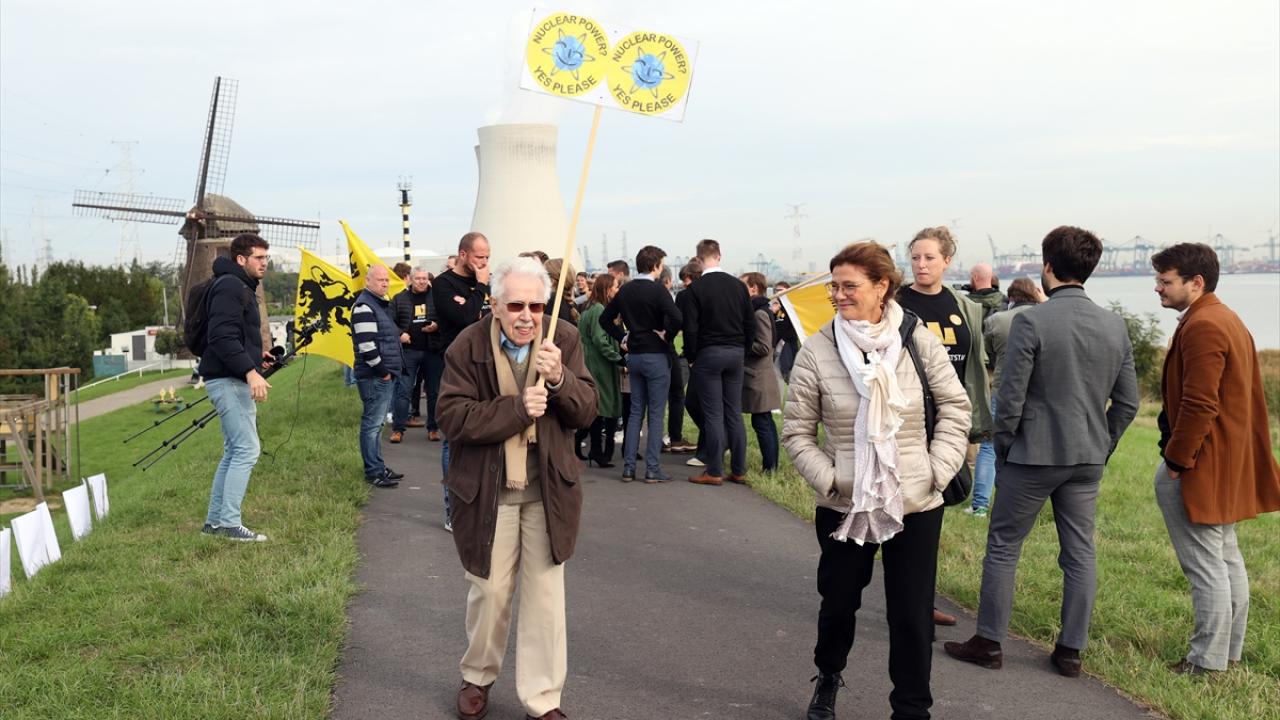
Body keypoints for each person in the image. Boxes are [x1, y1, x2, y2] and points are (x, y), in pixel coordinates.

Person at [784, 241, 970, 720]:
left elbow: (955, 407)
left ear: (882, 286)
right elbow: (797, 432)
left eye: (850, 286)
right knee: (839, 602)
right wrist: (833, 480)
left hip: (915, 500)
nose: (838, 295)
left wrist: (936, 470)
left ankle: (911, 709)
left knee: (911, 613)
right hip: (846, 504)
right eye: (834, 287)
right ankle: (828, 675)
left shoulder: (917, 340)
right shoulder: (818, 349)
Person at [945, 225, 1139, 678]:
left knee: (1004, 546)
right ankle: (1070, 651)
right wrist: (1103, 443)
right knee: (1080, 552)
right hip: (1086, 456)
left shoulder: (1031, 321)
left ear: (1048, 267)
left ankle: (989, 642)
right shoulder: (1115, 325)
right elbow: (1128, 402)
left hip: (1032, 453)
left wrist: (1005, 444)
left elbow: (1010, 396)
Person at [439, 257, 596, 720]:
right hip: (486, 491)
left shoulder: (564, 338)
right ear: (494, 305)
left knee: (546, 599)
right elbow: (452, 417)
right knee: (489, 593)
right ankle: (477, 676)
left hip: (549, 491)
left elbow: (587, 410)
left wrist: (561, 379)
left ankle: (543, 698)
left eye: (536, 305)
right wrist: (516, 409)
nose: (527, 316)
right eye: (515, 306)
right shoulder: (467, 345)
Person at [1150, 243, 1280, 675]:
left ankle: (1206, 662)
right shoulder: (1226, 317)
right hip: (1223, 460)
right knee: (1225, 559)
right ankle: (1227, 655)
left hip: (1201, 464)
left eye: (1165, 281)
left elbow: (1199, 403)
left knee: (1207, 566)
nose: (1158, 289)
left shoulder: (1204, 324)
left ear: (1196, 282)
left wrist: (1177, 460)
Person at [896, 226, 993, 627]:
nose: (921, 265)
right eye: (915, 258)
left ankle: (918, 600)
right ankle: (910, 602)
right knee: (907, 511)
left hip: (950, 421)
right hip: (906, 421)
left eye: (929, 258)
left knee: (932, 510)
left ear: (947, 261)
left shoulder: (963, 305)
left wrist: (977, 420)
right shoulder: (896, 302)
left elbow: (975, 365)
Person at [200, 233, 275, 542]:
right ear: (241, 259)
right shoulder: (231, 286)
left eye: (266, 257)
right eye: (259, 257)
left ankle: (214, 524)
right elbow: (220, 336)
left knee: (234, 450)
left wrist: (256, 357)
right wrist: (249, 371)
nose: (264, 263)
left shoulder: (237, 285)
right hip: (229, 380)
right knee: (246, 449)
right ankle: (230, 524)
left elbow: (234, 334)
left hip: (229, 376)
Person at [600, 245, 682, 483]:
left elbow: (605, 319)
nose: (662, 268)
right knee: (655, 414)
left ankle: (628, 468)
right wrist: (667, 335)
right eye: (661, 264)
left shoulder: (625, 290)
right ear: (655, 265)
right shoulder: (658, 290)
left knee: (635, 412)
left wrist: (622, 337)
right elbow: (677, 317)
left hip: (634, 355)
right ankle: (652, 468)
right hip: (656, 355)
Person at [969, 277, 1044, 516]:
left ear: (1010, 297)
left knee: (989, 446)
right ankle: (1026, 504)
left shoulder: (996, 320)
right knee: (1032, 445)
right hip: (1036, 391)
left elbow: (987, 354)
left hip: (1003, 388)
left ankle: (980, 504)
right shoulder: (1044, 318)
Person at [433, 232, 492, 529]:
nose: (484, 262)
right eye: (480, 257)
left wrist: (476, 298)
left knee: (487, 433)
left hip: (487, 364)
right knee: (454, 438)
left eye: (487, 257)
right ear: (463, 254)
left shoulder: (487, 283)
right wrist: (479, 289)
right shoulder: (444, 284)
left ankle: (484, 504)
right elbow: (466, 318)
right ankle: (453, 510)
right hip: (457, 366)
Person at [684, 239, 754, 486]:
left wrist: (691, 357)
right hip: (736, 352)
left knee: (713, 414)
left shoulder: (695, 289)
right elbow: (750, 323)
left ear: (698, 259)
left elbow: (690, 329)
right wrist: (744, 350)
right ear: (719, 256)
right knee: (733, 412)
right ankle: (739, 469)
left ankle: (714, 470)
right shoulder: (738, 286)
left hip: (709, 353)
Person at [351, 264, 406, 489]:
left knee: (377, 424)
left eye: (386, 280)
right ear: (368, 281)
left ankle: (379, 467)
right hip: (375, 376)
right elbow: (367, 346)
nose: (385, 284)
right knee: (372, 425)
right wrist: (383, 372)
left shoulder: (378, 304)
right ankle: (373, 471)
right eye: (380, 280)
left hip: (381, 375)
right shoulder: (365, 306)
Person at [577, 273, 623, 467]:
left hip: (591, 362)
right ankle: (600, 451)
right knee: (605, 407)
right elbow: (599, 339)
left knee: (598, 407)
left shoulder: (589, 308)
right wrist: (618, 357)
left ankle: (593, 448)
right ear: (607, 289)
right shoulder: (598, 309)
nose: (617, 290)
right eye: (615, 287)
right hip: (600, 364)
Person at [740, 272, 783, 474]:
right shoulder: (760, 310)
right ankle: (771, 466)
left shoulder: (759, 314)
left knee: (762, 422)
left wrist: (741, 342)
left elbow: (764, 347)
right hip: (759, 376)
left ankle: (770, 467)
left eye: (743, 286)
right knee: (764, 422)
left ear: (754, 288)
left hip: (758, 377)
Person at [389, 268, 438, 443]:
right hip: (408, 351)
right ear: (410, 279)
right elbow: (388, 321)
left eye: (424, 278)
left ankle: (433, 428)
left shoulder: (437, 296)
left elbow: (448, 317)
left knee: (434, 392)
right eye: (418, 278)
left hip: (432, 351)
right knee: (404, 391)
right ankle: (398, 429)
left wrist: (437, 325)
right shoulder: (399, 298)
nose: (422, 281)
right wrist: (400, 334)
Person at [772, 280, 802, 382]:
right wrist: (772, 312)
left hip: (787, 345)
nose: (778, 293)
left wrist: (783, 340)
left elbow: (794, 328)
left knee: (784, 373)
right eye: (776, 291)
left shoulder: (793, 308)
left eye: (781, 290)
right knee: (776, 374)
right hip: (775, 345)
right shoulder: (776, 309)